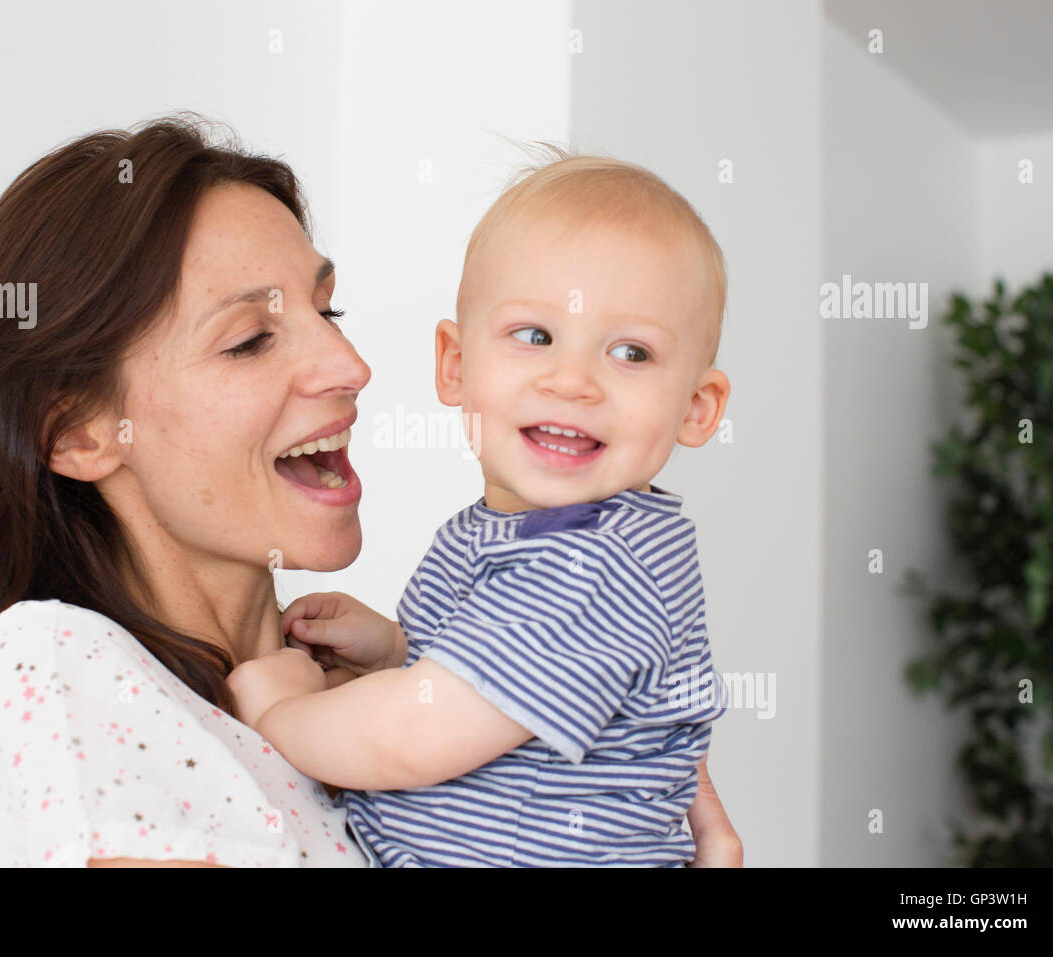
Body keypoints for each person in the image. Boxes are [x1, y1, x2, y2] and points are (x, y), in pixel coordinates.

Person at [0, 116, 741, 867]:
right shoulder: (46, 665)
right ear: (78, 431)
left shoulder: (319, 709)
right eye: (249, 340)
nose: (349, 366)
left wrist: (370, 674)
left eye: (329, 311)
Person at [228, 152, 735, 866]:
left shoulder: (598, 563)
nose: (572, 381)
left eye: (630, 352)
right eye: (534, 336)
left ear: (697, 407)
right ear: (455, 364)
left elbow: (418, 735)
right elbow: (479, 698)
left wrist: (282, 714)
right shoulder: (502, 532)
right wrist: (399, 652)